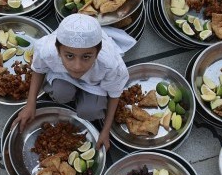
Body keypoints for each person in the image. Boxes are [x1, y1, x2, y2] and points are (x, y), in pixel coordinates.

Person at [12, 13, 135, 150]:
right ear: (58, 51)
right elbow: (38, 69)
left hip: (94, 83)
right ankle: (71, 94)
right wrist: (30, 104)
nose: (77, 66)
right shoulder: (48, 51)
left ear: (98, 52)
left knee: (90, 112)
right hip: (63, 75)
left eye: (86, 57)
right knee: (61, 94)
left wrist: (105, 131)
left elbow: (114, 94)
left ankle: (83, 101)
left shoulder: (110, 64)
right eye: (69, 56)